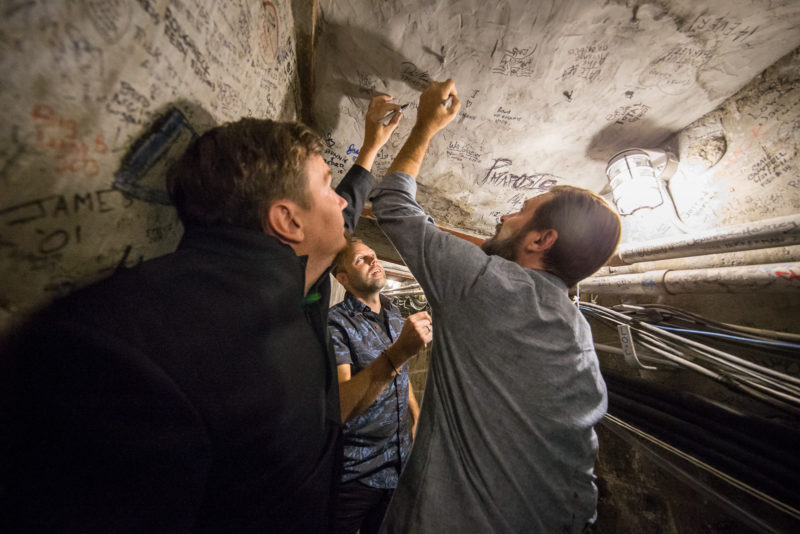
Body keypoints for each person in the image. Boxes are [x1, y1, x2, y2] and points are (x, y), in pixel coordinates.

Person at [0, 95, 404, 533]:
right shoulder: (114, 350)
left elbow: (336, 216)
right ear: (287, 222)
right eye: (327, 186)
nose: (343, 205)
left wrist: (370, 149)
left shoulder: (294, 284)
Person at [369, 80, 622, 533]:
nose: (504, 216)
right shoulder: (579, 331)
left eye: (521, 211)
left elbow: (392, 204)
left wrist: (426, 125)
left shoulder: (485, 282)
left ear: (542, 240)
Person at [328, 237, 431, 534]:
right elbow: (342, 404)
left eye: (373, 255)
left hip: (397, 467)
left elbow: (401, 374)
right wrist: (399, 352)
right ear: (343, 279)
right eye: (362, 259)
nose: (374, 261)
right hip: (355, 472)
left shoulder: (395, 316)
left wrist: (413, 415)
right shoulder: (336, 324)